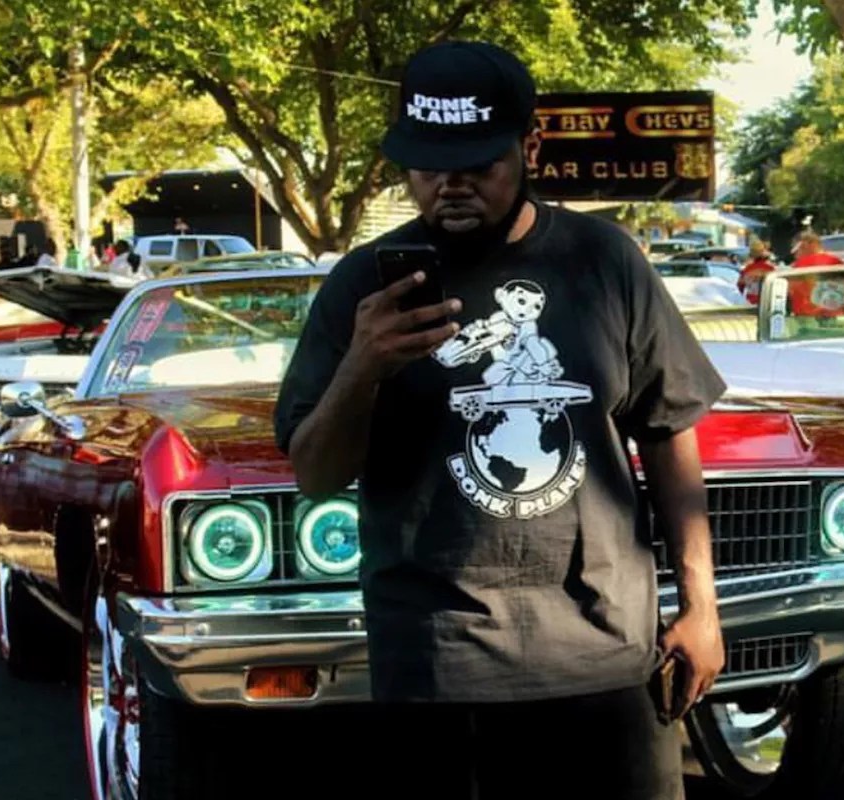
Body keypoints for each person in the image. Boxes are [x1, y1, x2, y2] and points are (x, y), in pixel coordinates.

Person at [274, 40, 726, 799]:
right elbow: (317, 474)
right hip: (435, 668)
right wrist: (363, 364)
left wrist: (702, 607)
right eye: (427, 165)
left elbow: (669, 433)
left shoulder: (604, 262)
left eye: (477, 164)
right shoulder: (361, 286)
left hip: (603, 657)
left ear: (530, 148)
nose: (449, 185)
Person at [737, 237, 776, 305]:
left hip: (751, 304)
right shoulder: (771, 269)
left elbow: (740, 286)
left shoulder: (746, 270)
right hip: (767, 303)